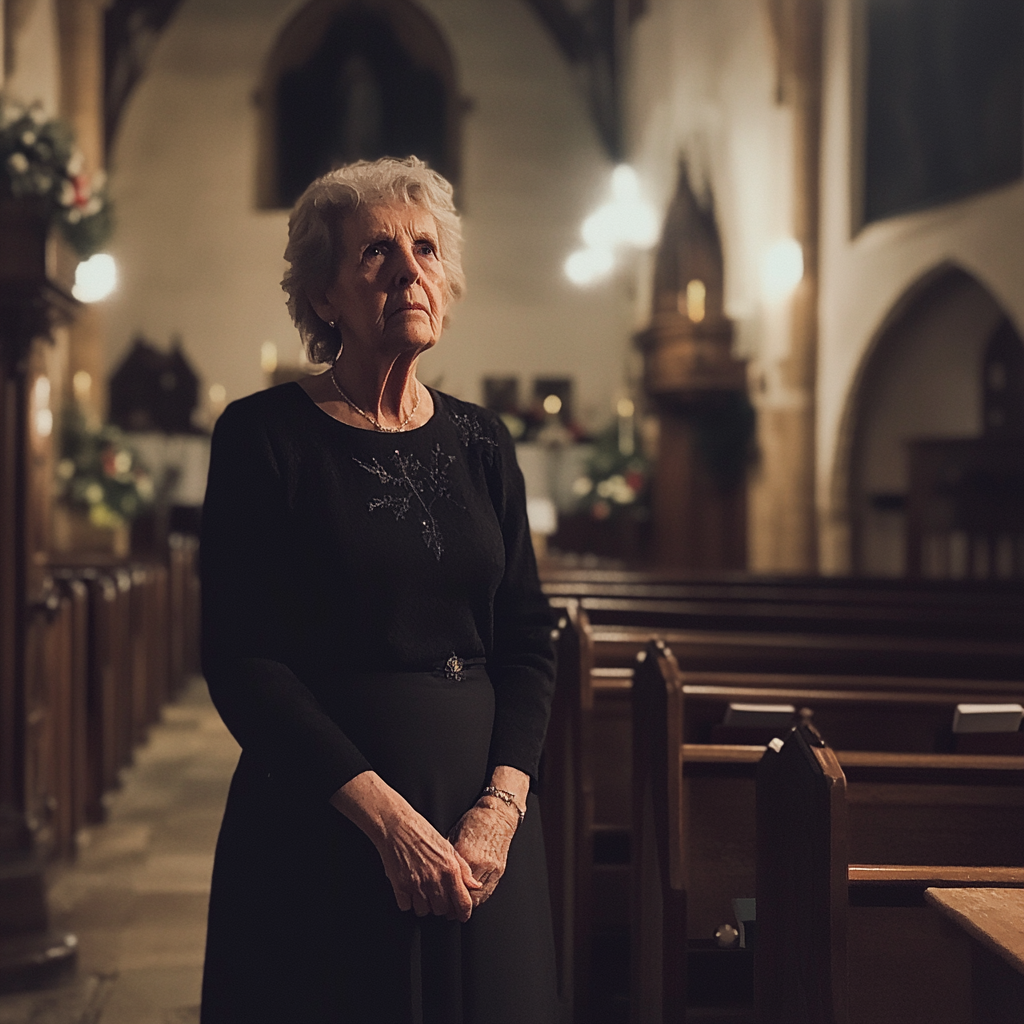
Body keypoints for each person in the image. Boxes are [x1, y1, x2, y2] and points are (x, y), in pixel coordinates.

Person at [198, 156, 559, 1024]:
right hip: (324, 821)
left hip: (484, 834)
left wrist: (501, 808)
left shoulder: (483, 441)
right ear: (324, 297)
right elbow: (242, 658)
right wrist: (387, 823)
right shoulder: (263, 439)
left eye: (426, 249)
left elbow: (528, 639)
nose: (409, 270)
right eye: (375, 254)